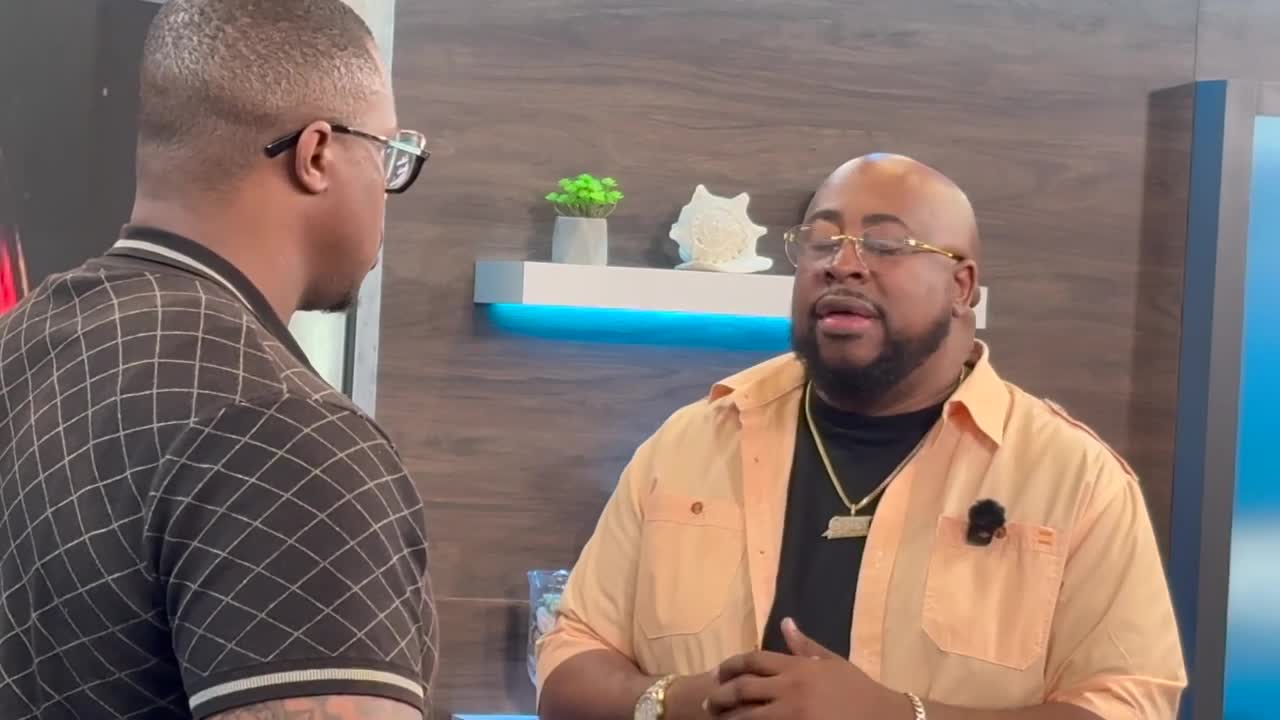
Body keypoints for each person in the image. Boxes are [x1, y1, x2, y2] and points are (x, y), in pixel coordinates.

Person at [536, 154, 1186, 720]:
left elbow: (1128, 707)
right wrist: (680, 702)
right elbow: (570, 658)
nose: (842, 265)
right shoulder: (692, 442)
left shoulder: (1074, 478)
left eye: (886, 245)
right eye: (821, 242)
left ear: (961, 286)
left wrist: (902, 717)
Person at [0, 1, 435, 719]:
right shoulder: (285, 436)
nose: (387, 190)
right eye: (387, 154)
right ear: (316, 154)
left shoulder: (24, 343)